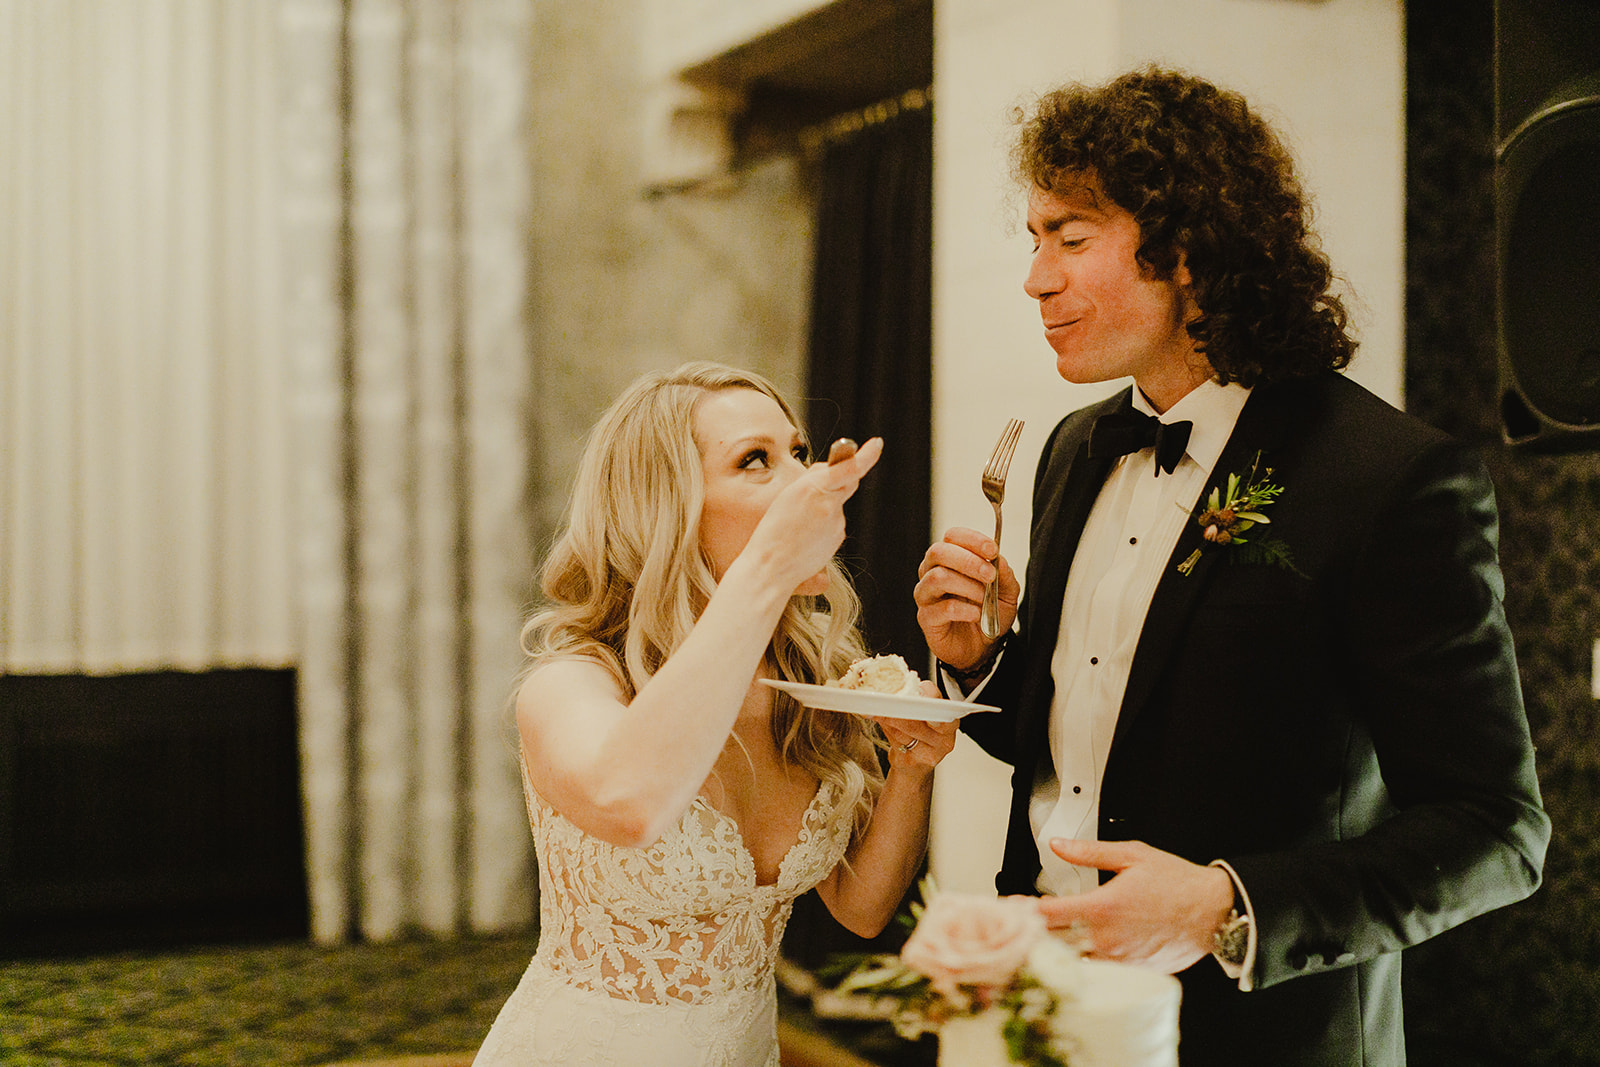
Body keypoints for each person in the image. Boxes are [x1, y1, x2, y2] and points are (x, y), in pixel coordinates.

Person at [913, 67, 1549, 1065]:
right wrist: (984, 663)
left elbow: (1497, 831)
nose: (1036, 277)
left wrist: (1226, 903)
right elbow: (1078, 757)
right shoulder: (1073, 448)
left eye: (1070, 238)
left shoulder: (1387, 479)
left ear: (1189, 250)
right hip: (1049, 1017)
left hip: (1259, 1036)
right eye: (1034, 240)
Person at [475, 361, 958, 1067]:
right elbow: (629, 800)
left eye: (798, 452)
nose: (805, 482)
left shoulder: (810, 689)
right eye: (756, 462)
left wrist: (914, 767)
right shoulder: (571, 684)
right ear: (665, 507)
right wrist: (767, 566)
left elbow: (861, 907)